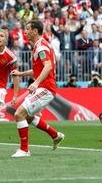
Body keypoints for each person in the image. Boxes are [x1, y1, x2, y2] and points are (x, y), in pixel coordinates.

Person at [10, 20, 64, 158]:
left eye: (27, 29)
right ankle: (55, 135)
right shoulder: (39, 46)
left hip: (45, 88)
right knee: (27, 117)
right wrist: (21, 74)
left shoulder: (41, 46)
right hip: (44, 87)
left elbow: (48, 67)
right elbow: (38, 70)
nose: (25, 32)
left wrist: (36, 83)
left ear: (35, 31)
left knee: (19, 114)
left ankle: (24, 150)